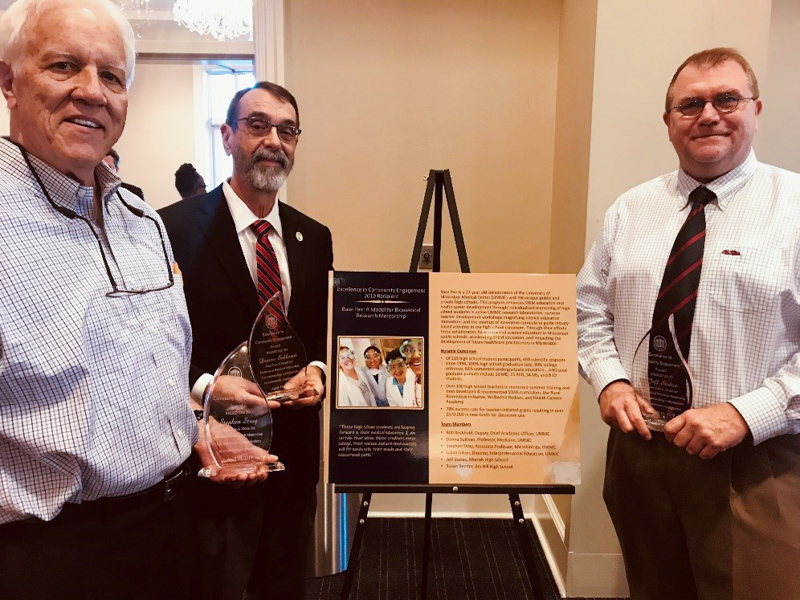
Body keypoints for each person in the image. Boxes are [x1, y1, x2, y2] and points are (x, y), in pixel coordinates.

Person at [0, 0, 208, 597]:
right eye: (64, 66)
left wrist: (193, 426)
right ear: (9, 82)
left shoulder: (143, 219)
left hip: (172, 528)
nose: (92, 92)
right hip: (52, 558)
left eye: (112, 76)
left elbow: (146, 366)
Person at [577, 47, 800, 599]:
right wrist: (609, 380)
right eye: (689, 104)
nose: (708, 114)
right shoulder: (631, 210)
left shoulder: (794, 207)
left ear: (756, 108)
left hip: (755, 463)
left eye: (727, 98)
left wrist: (746, 413)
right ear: (669, 122)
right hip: (641, 456)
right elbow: (590, 310)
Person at [160, 81, 333, 600]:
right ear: (228, 136)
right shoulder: (171, 228)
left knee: (284, 583)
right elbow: (154, 344)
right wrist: (208, 388)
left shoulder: (313, 235)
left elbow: (319, 329)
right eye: (258, 125)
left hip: (296, 454)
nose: (273, 140)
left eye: (287, 130)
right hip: (213, 453)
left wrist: (319, 372)